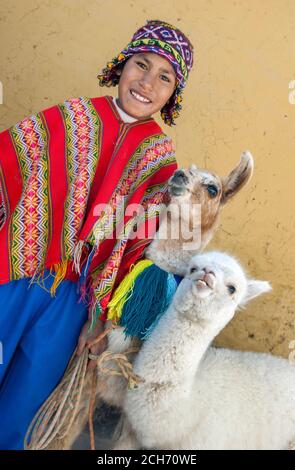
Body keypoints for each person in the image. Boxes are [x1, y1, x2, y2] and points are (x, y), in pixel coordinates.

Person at [0, 19, 194, 449]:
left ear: (172, 95)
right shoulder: (73, 117)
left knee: (24, 405)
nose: (147, 83)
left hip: (75, 306)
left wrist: (105, 320)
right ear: (121, 65)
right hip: (17, 276)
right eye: (141, 65)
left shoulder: (159, 159)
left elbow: (143, 248)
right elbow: (8, 162)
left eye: (164, 78)